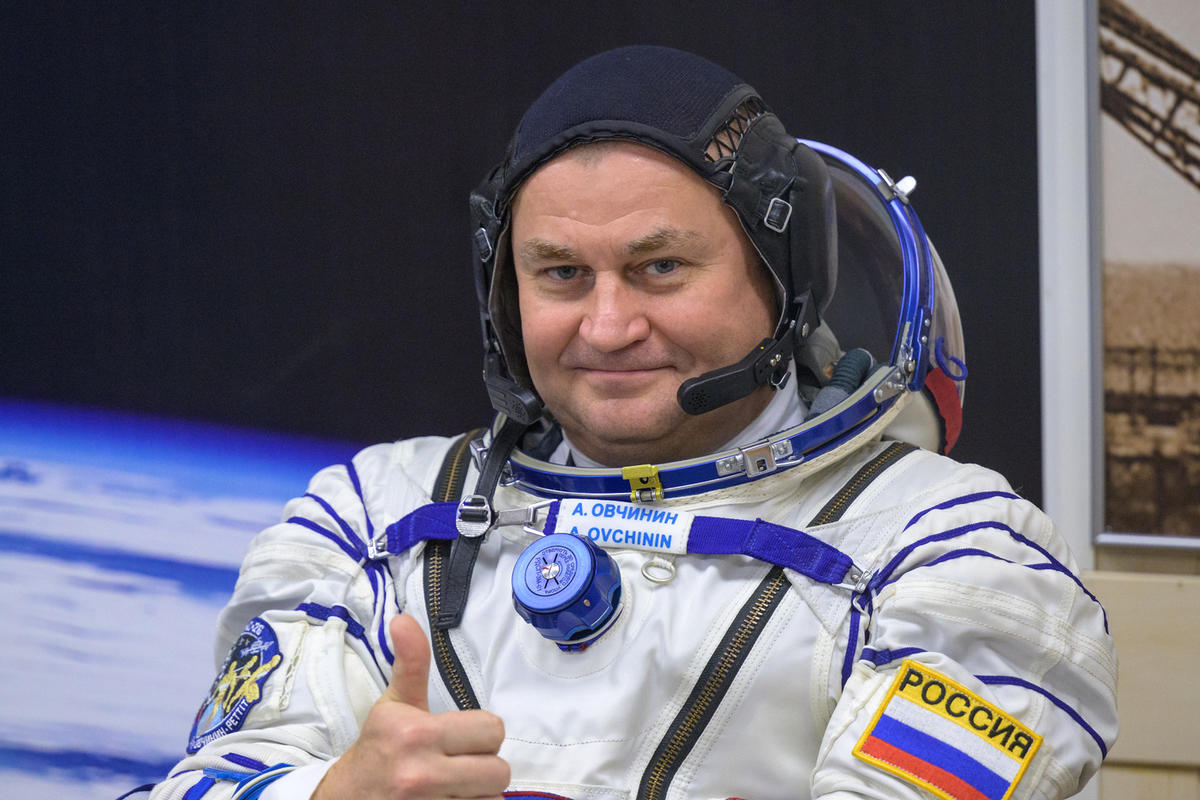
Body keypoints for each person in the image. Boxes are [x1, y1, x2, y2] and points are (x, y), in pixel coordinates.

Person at [146, 46, 1117, 800]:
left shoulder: (955, 554)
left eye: (660, 268)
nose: (607, 326)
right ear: (505, 294)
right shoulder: (374, 523)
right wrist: (329, 792)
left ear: (782, 278)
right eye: (562, 273)